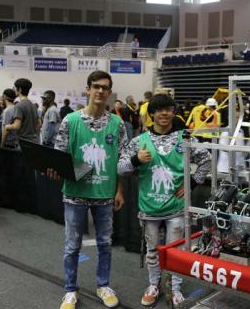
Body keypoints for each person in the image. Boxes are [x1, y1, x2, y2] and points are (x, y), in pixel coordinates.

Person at [117, 93, 211, 307]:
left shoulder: (185, 138)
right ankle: (154, 284)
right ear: (151, 114)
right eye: (159, 110)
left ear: (173, 112)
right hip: (149, 208)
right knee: (152, 250)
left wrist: (191, 184)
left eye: (168, 109)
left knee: (176, 251)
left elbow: (206, 159)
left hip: (176, 208)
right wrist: (135, 160)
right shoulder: (138, 142)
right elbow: (120, 169)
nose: (164, 113)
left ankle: (175, 288)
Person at [51, 70, 128, 309]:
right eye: (95, 86)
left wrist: (119, 190)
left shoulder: (117, 123)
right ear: (87, 89)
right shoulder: (70, 120)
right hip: (74, 194)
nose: (100, 91)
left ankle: (103, 285)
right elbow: (59, 155)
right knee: (72, 246)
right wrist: (54, 169)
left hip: (105, 195)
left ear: (109, 92)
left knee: (105, 243)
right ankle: (70, 290)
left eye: (105, 87)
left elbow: (122, 160)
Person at [5, 78, 40, 143]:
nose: (14, 90)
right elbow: (38, 124)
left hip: (23, 143)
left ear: (20, 89)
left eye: (15, 88)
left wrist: (7, 126)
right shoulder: (33, 105)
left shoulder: (19, 105)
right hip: (34, 142)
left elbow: (16, 126)